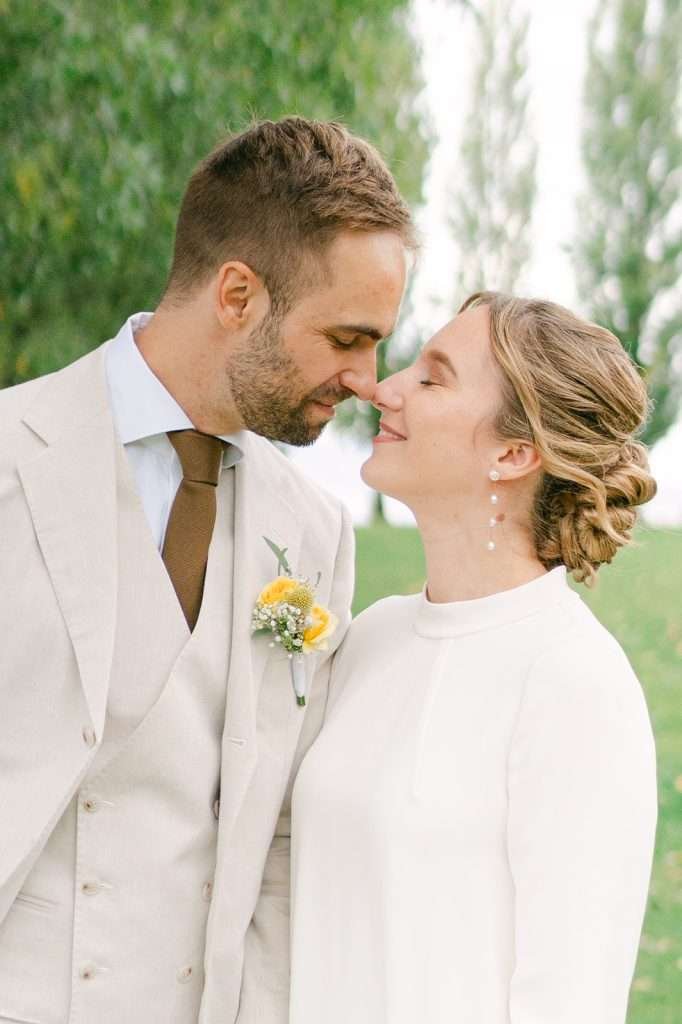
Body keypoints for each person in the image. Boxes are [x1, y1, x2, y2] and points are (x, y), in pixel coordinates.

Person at [0, 117, 413, 1023]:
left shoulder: (315, 535)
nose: (368, 378)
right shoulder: (8, 454)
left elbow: (275, 845)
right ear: (237, 295)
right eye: (347, 337)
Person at [290, 291, 659, 1024]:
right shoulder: (373, 638)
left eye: (432, 378)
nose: (384, 388)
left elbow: (571, 1002)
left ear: (514, 453)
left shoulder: (576, 683)